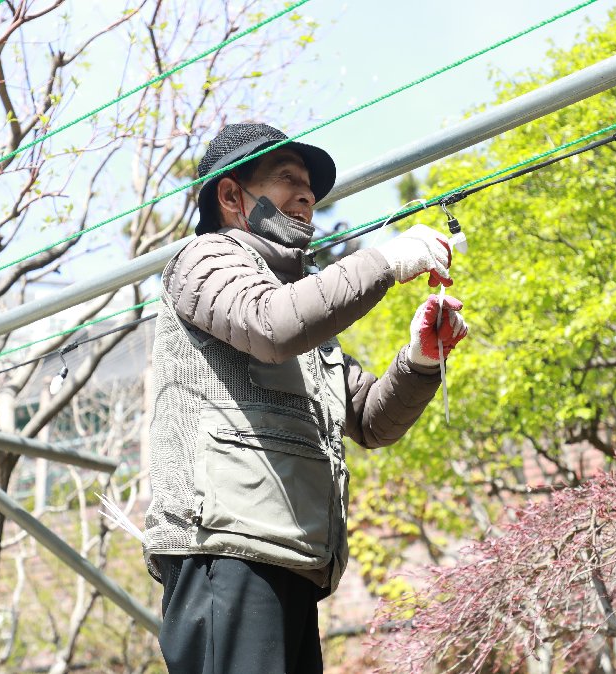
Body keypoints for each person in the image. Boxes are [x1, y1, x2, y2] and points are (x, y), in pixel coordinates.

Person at [144, 123, 468, 673]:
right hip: (224, 548)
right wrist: (385, 261)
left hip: (290, 555)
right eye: (287, 179)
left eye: (310, 188)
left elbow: (370, 420)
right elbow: (272, 326)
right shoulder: (205, 259)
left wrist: (419, 360)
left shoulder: (297, 303)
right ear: (231, 196)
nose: (306, 197)